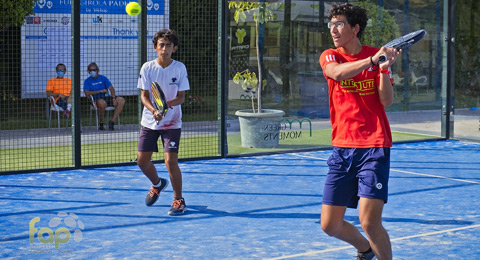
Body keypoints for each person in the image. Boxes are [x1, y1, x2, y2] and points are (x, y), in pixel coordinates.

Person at [319, 3, 401, 260]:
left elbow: (386, 101)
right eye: (331, 24)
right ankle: (365, 250)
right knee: (329, 225)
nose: (333, 29)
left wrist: (384, 69)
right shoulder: (330, 56)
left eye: (339, 24)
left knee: (369, 222)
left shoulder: (376, 58)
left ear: (355, 29)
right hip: (342, 148)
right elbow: (336, 74)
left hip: (375, 146)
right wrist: (371, 61)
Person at [136, 29, 190, 216]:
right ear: (155, 47)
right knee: (142, 161)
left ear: (174, 48)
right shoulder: (147, 68)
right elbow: (144, 96)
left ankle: (178, 200)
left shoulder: (179, 68)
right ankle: (158, 184)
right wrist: (154, 110)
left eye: (168, 45)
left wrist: (166, 105)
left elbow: (181, 97)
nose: (164, 49)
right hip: (149, 121)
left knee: (170, 161)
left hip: (172, 123)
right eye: (161, 45)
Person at [83, 62, 125, 130]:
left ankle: (112, 121)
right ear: (88, 71)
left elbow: (111, 89)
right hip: (96, 98)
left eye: (94, 70)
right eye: (90, 70)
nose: (92, 72)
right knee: (102, 103)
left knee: (121, 100)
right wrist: (99, 91)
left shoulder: (103, 78)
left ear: (97, 70)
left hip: (107, 97)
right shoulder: (87, 81)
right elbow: (87, 93)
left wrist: (113, 98)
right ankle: (101, 123)